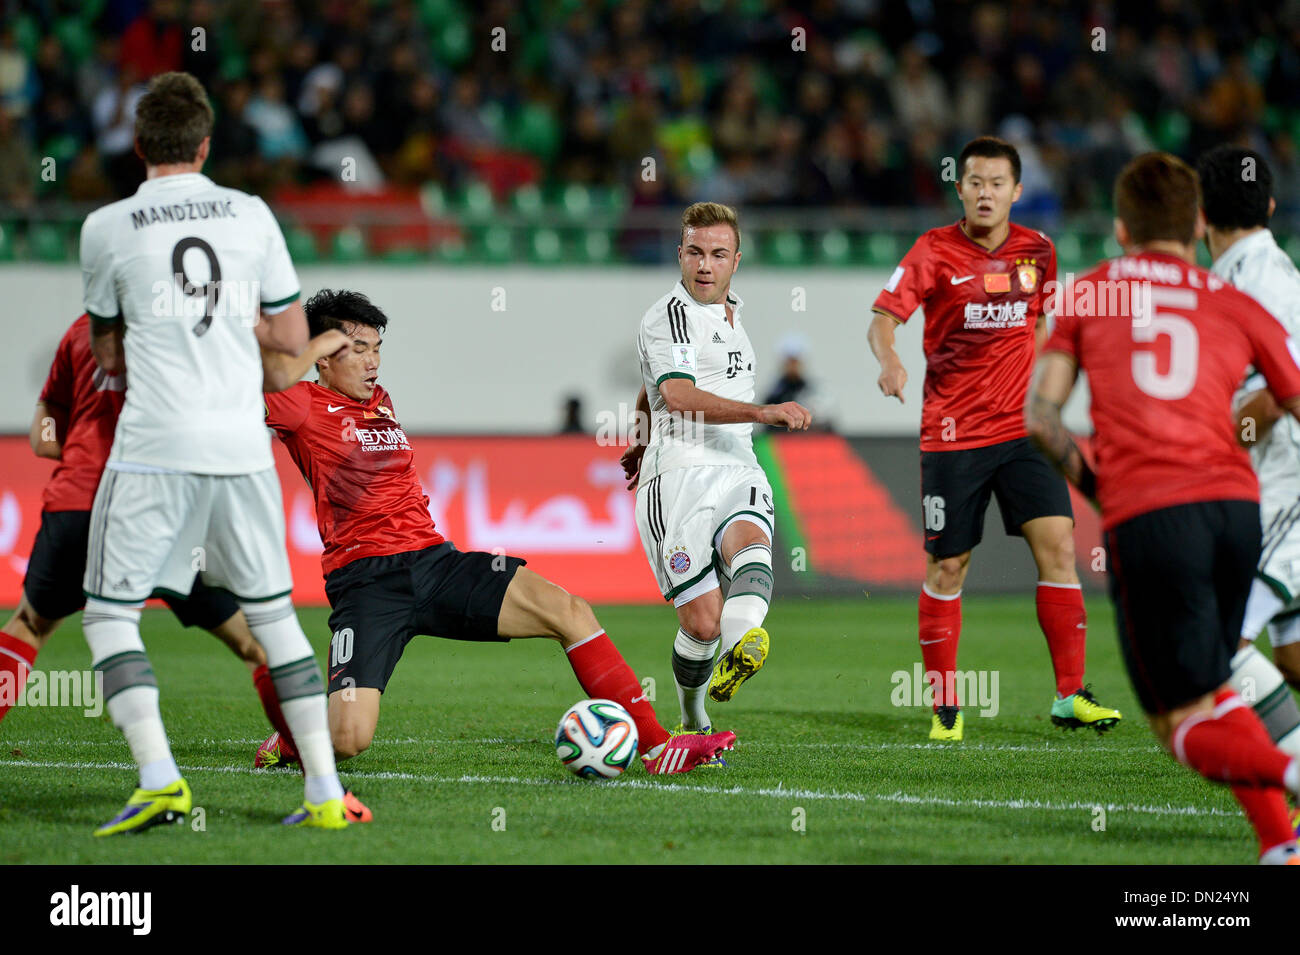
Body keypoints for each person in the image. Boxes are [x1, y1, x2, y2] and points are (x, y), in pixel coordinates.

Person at [254, 288, 735, 776]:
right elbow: (256, 373)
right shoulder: (301, 406)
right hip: (368, 582)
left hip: (435, 563)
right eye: (357, 350)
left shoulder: (379, 400)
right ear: (322, 357)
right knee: (347, 741)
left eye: (377, 348)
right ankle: (294, 739)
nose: (372, 362)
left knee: (569, 610)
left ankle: (656, 747)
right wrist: (314, 341)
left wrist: (345, 344)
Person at [77, 71, 346, 834]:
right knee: (277, 619)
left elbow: (107, 352)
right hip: (241, 447)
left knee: (108, 614)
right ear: (204, 144)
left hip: (155, 446)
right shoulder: (253, 215)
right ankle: (325, 792)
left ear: (138, 146)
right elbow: (291, 344)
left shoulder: (105, 227)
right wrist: (247, 334)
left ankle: (161, 777)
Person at [1026, 151, 1300, 864]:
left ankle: (1292, 769)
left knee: (1177, 723)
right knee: (1217, 680)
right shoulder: (1232, 300)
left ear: (1121, 229)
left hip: (1154, 513)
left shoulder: (1091, 294)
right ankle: (1280, 844)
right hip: (1239, 506)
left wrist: (1099, 485)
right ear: (1196, 222)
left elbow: (1041, 418)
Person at [868, 135, 1122, 741]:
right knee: (950, 565)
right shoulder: (932, 251)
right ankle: (946, 709)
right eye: (975, 182)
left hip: (1023, 433)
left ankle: (1070, 695)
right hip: (953, 436)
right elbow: (883, 319)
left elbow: (1041, 324)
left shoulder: (1040, 251)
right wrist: (890, 361)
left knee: (1059, 547)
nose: (986, 193)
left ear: (1017, 190)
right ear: (961, 188)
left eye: (997, 183)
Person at [0, 315, 294, 755]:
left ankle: (160, 771)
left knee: (28, 624)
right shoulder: (187, 329)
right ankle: (301, 752)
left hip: (80, 500)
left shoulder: (80, 332)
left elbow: (43, 434)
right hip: (167, 509)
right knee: (255, 641)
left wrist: (84, 446)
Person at [619, 202, 811, 746]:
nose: (706, 265)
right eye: (696, 253)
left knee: (751, 545)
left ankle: (740, 645)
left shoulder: (732, 315)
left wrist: (636, 435)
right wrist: (763, 412)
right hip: (679, 476)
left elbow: (650, 385)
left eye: (718, 254)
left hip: (736, 465)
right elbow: (675, 394)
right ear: (680, 255)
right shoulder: (669, 314)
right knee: (700, 623)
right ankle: (693, 716)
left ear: (736, 260)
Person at [1197, 144, 1300, 757]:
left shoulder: (1252, 282)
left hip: (1284, 480)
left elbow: (1270, 399)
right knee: (1289, 652)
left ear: (1201, 212)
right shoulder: (1255, 273)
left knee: (1214, 640)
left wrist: (1208, 450)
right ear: (1269, 203)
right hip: (1272, 480)